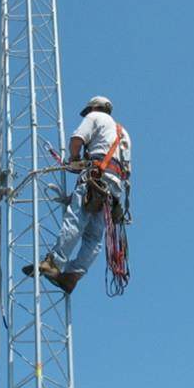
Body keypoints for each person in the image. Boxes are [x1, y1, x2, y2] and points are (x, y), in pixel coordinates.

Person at [23, 95, 132, 295]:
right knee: (94, 237)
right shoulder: (123, 133)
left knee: (75, 220)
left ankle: (54, 262)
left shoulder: (96, 117)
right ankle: (73, 276)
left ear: (94, 108)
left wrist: (74, 159)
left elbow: (77, 140)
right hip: (114, 191)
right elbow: (126, 171)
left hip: (95, 178)